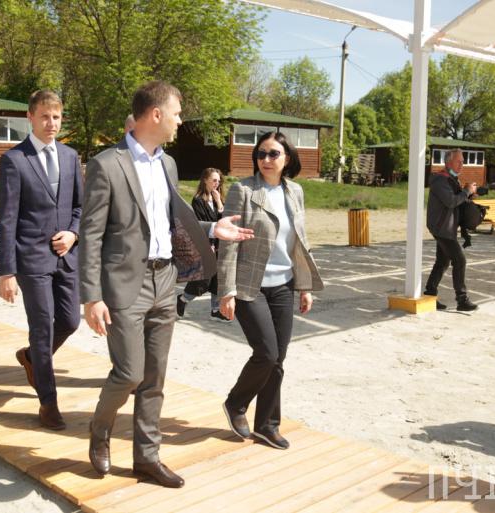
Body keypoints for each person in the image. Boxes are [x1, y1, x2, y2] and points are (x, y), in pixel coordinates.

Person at [79, 80, 253, 488]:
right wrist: (91, 296)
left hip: (165, 280)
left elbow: (172, 222)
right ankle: (100, 429)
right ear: (155, 114)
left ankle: (147, 457)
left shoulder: (168, 165)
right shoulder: (107, 164)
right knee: (129, 373)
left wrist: (211, 230)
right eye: (176, 113)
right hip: (125, 285)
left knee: (155, 377)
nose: (179, 120)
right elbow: (90, 235)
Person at [218, 131, 323, 450]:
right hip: (250, 286)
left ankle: (267, 425)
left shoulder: (296, 191)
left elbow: (299, 241)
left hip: (284, 285)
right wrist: (226, 291)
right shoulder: (242, 191)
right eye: (261, 154)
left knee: (279, 359)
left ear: (287, 158)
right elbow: (228, 243)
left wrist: (304, 286)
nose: (265, 159)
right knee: (266, 353)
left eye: (273, 154)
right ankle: (236, 403)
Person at [0, 90, 84, 431]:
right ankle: (48, 402)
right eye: (45, 116)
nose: (51, 123)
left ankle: (32, 357)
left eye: (57, 117)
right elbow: (7, 218)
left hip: (66, 256)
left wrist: (73, 233)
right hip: (31, 259)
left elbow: (80, 207)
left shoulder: (70, 156)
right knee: (42, 326)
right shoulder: (14, 159)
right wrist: (7, 271)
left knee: (70, 321)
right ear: (30, 117)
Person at [423, 148, 478, 312]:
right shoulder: (440, 180)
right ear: (448, 162)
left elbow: (456, 201)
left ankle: (430, 294)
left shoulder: (452, 179)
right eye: (458, 161)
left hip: (447, 227)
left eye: (463, 162)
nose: (462, 165)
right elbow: (450, 201)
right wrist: (466, 192)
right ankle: (462, 300)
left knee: (442, 261)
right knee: (459, 260)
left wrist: (468, 194)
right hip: (442, 228)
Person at [176, 167, 229, 321]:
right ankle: (183, 299)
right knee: (203, 279)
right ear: (205, 180)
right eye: (214, 180)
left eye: (219, 181)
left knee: (218, 278)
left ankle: (215, 310)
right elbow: (201, 225)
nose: (217, 183)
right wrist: (209, 244)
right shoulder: (198, 200)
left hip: (220, 244)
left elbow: (224, 222)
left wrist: (219, 202)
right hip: (205, 245)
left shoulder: (219, 199)